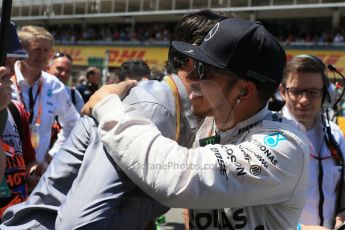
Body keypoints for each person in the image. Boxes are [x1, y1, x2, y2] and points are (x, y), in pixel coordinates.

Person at [1, 9, 227, 229]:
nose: (238, 86)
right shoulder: (154, 109)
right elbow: (82, 225)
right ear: (194, 62)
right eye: (228, 69)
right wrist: (166, 193)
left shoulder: (175, 109)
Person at [83, 18, 311, 229]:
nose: (192, 78)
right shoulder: (205, 124)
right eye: (193, 66)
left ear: (243, 90)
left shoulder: (284, 147)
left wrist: (107, 108)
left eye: (205, 71)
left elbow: (174, 178)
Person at [278, 54, 345, 229]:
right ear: (283, 92)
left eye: (313, 92)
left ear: (325, 94)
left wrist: (342, 214)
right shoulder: (266, 136)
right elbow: (256, 206)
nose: (304, 100)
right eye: (297, 91)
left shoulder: (335, 134)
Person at [10, 25, 79, 162]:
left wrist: (54, 153)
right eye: (36, 50)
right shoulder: (6, 80)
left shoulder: (54, 85)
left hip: (38, 173)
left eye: (46, 50)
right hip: (8, 172)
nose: (42, 56)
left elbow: (73, 123)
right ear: (22, 50)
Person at [0, 21, 47, 218]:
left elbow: (28, 162)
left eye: (14, 59)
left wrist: (34, 171)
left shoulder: (16, 110)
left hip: (16, 218)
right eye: (5, 59)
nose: (10, 68)